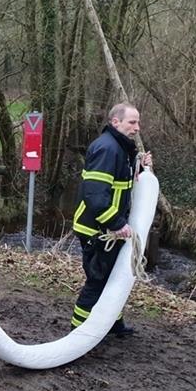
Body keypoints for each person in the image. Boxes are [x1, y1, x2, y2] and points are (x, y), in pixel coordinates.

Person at [70, 102, 153, 336]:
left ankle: (112, 324)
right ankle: (78, 333)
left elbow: (121, 183)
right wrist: (117, 224)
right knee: (98, 281)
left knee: (112, 278)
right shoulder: (108, 149)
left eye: (138, 122)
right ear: (115, 122)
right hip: (96, 230)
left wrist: (140, 164)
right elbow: (95, 195)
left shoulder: (121, 149)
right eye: (132, 122)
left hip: (107, 228)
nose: (137, 128)